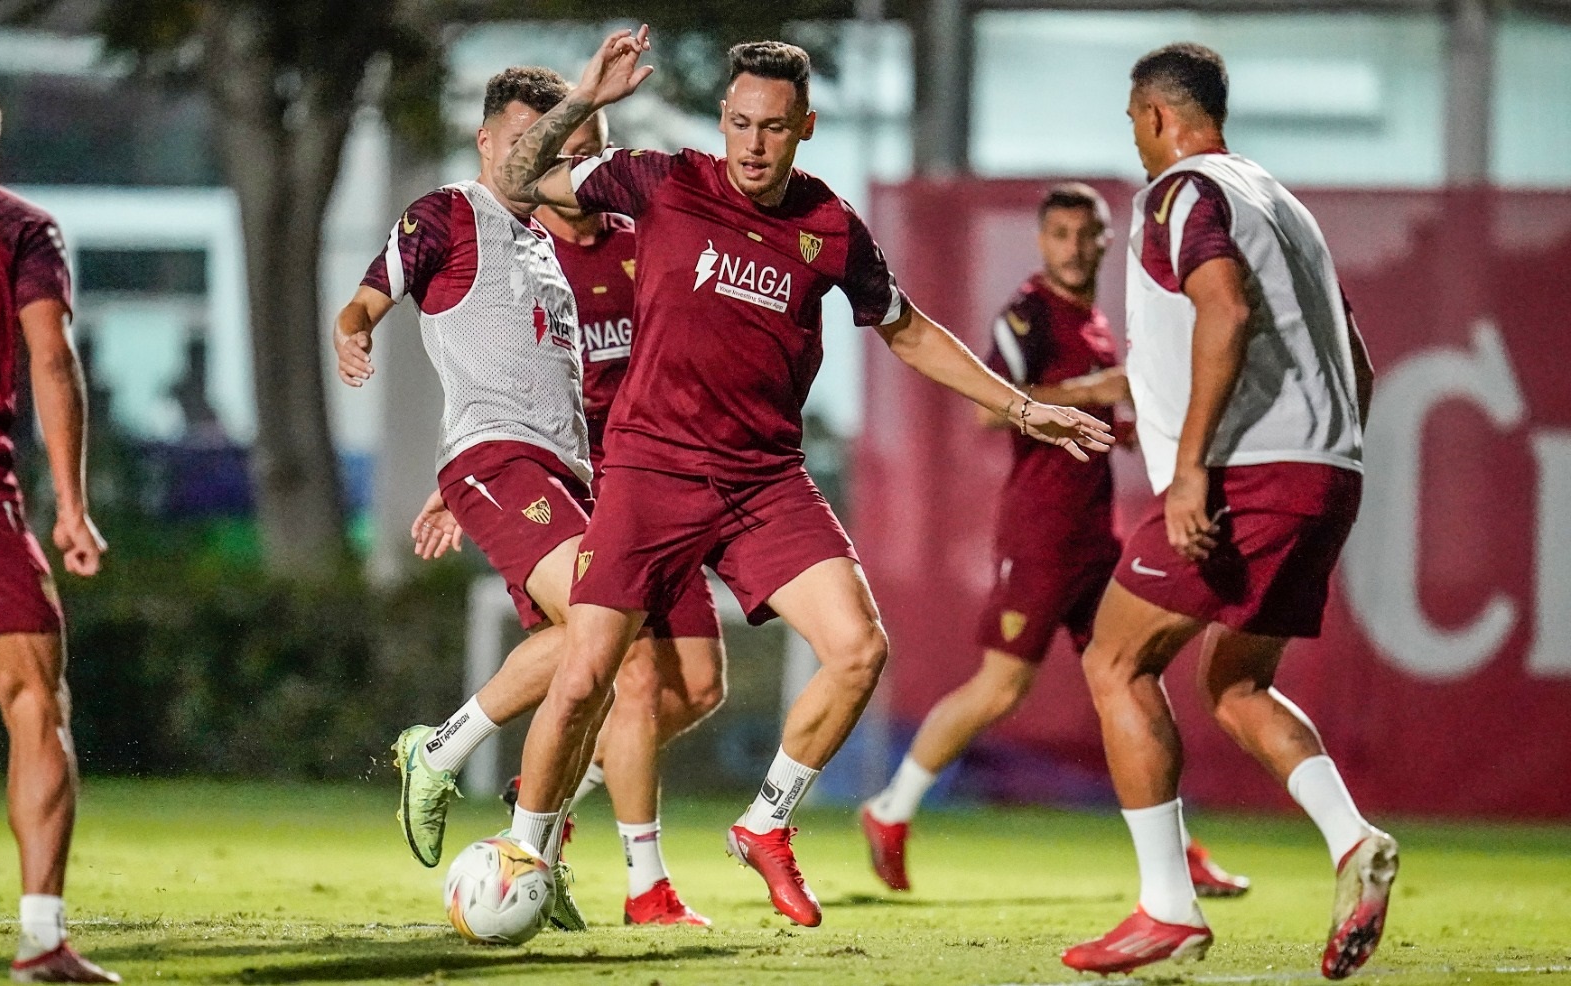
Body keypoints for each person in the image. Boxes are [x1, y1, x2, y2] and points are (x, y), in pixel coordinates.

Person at [496, 30, 1112, 928]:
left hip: (762, 483)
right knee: (589, 674)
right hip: (651, 468)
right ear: (722, 121)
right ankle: (520, 853)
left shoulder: (828, 227)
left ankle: (766, 824)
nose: (752, 144)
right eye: (740, 123)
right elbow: (518, 179)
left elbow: (907, 331)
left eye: (773, 128)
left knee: (860, 651)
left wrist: (1020, 406)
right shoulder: (662, 180)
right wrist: (586, 98)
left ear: (805, 128)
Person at [334, 66, 707, 930]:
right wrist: (354, 337)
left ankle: (530, 853)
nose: (539, 159)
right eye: (524, 140)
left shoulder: (544, 240)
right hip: (498, 463)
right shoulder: (448, 212)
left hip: (557, 478)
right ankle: (442, 752)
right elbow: (362, 302)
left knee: (598, 665)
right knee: (606, 627)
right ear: (487, 142)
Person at [1060, 44, 1392, 978]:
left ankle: (1167, 908)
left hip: (1246, 474)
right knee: (1236, 686)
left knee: (1115, 660)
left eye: (1132, 120)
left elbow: (1225, 310)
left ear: (1159, 117)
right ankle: (1353, 840)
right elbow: (1357, 363)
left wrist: (1198, 469)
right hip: (1327, 472)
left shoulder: (1178, 195)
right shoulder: (1281, 204)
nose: (1133, 139)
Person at [859, 182, 1248, 900]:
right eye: (1060, 234)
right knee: (1002, 685)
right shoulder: (1028, 314)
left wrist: (1121, 419)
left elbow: (1096, 412)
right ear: (1043, 242)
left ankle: (1178, 850)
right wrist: (1095, 390)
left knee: (1132, 683)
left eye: (1086, 234)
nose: (1073, 246)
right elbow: (989, 413)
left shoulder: (1095, 321)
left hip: (1096, 539)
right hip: (1040, 537)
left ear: (1105, 241)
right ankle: (890, 809)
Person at [538, 106, 727, 926]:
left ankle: (545, 785)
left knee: (702, 687)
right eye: (571, 154)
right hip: (583, 495)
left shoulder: (640, 233)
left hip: (662, 481)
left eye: (598, 151)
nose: (588, 168)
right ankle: (646, 886)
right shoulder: (524, 257)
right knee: (635, 682)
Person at [0, 75, 117, 984]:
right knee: (34, 703)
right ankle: (40, 940)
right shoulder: (18, 226)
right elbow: (52, 360)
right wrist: (71, 503)